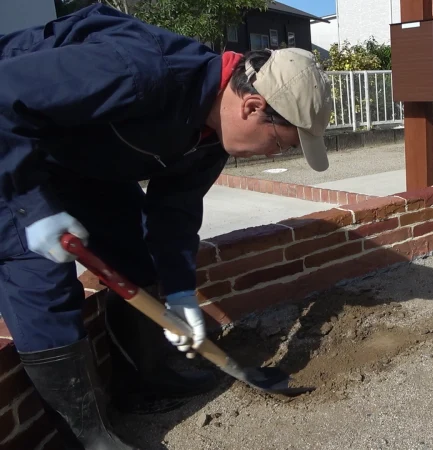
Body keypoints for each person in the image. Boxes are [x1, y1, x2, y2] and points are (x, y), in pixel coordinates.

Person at [0, 3, 332, 449]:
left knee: (134, 247)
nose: (275, 156)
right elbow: (5, 96)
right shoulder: (140, 71)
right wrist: (31, 206)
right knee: (40, 275)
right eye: (279, 143)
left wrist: (179, 291)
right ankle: (87, 437)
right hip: (12, 145)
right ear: (253, 106)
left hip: (77, 158)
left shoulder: (212, 138)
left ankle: (144, 381)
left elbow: (173, 211)